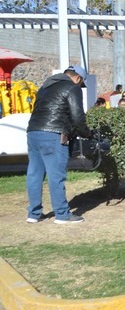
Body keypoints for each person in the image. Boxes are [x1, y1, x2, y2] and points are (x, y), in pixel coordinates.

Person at [26, 65, 93, 224]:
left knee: (34, 174)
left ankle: (34, 214)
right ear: (78, 78)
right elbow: (77, 116)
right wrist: (87, 133)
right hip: (54, 134)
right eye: (81, 83)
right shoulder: (72, 87)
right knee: (56, 175)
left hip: (33, 132)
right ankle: (62, 214)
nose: (80, 86)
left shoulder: (45, 87)